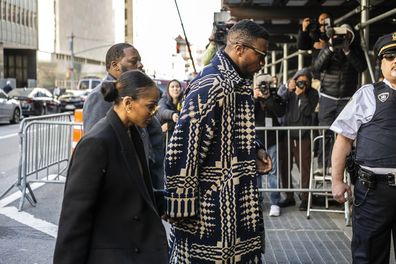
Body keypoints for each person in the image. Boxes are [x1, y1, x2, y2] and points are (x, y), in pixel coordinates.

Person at [164, 19, 270, 263]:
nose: (262, 63)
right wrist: (181, 207)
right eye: (261, 54)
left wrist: (255, 149)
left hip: (237, 207)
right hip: (211, 214)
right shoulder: (212, 84)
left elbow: (230, 131)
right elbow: (182, 149)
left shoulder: (235, 83)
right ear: (239, 49)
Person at [53, 70, 168, 264]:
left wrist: (172, 201)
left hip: (134, 250)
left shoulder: (134, 133)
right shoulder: (97, 142)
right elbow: (75, 217)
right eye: (150, 106)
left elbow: (137, 193)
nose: (154, 112)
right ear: (128, 103)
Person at [331, 32, 396, 263]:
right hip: (373, 193)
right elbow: (343, 140)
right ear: (381, 63)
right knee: (368, 256)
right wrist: (336, 180)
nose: (395, 60)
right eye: (390, 56)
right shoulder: (367, 95)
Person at [83, 43, 165, 190]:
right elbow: (95, 151)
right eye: (134, 61)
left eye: (140, 60)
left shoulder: (137, 94)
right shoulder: (99, 97)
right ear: (116, 65)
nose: (140, 65)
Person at [312, 23, 367, 175]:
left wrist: (347, 50)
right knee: (325, 132)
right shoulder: (328, 48)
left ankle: (340, 167)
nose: (343, 38)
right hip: (328, 97)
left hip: (347, 99)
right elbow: (317, 67)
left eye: (346, 35)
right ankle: (323, 166)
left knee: (344, 135)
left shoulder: (354, 50)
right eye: (340, 36)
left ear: (351, 37)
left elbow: (361, 67)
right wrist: (330, 47)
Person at [277, 68, 319, 211]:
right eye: (299, 81)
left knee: (305, 168)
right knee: (284, 167)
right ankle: (289, 197)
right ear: (294, 80)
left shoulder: (312, 94)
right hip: (286, 135)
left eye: (305, 82)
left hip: (303, 136)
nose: (302, 84)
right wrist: (289, 89)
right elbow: (279, 103)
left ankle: (305, 198)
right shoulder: (288, 89)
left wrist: (302, 95)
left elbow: (308, 112)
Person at [254, 73, 286, 217]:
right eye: (262, 86)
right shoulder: (253, 98)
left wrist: (269, 99)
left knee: (273, 172)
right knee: (257, 173)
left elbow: (280, 112)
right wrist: (255, 97)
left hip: (273, 139)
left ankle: (275, 202)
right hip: (257, 140)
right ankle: (257, 202)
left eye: (266, 86)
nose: (264, 89)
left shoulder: (275, 96)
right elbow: (250, 113)